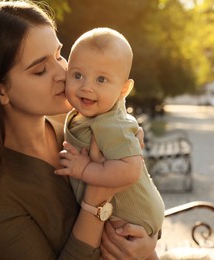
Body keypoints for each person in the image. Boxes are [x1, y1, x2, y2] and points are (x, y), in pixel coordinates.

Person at [0, 1, 158, 259]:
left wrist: (148, 241)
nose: (63, 73)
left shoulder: (74, 124)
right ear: (0, 90)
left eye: (59, 55)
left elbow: (137, 199)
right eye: (41, 70)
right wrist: (96, 200)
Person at [55, 28, 165, 237]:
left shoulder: (110, 123)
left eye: (101, 80)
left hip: (132, 216)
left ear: (123, 90)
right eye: (78, 75)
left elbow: (131, 170)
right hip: (125, 213)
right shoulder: (87, 114)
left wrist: (85, 169)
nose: (86, 87)